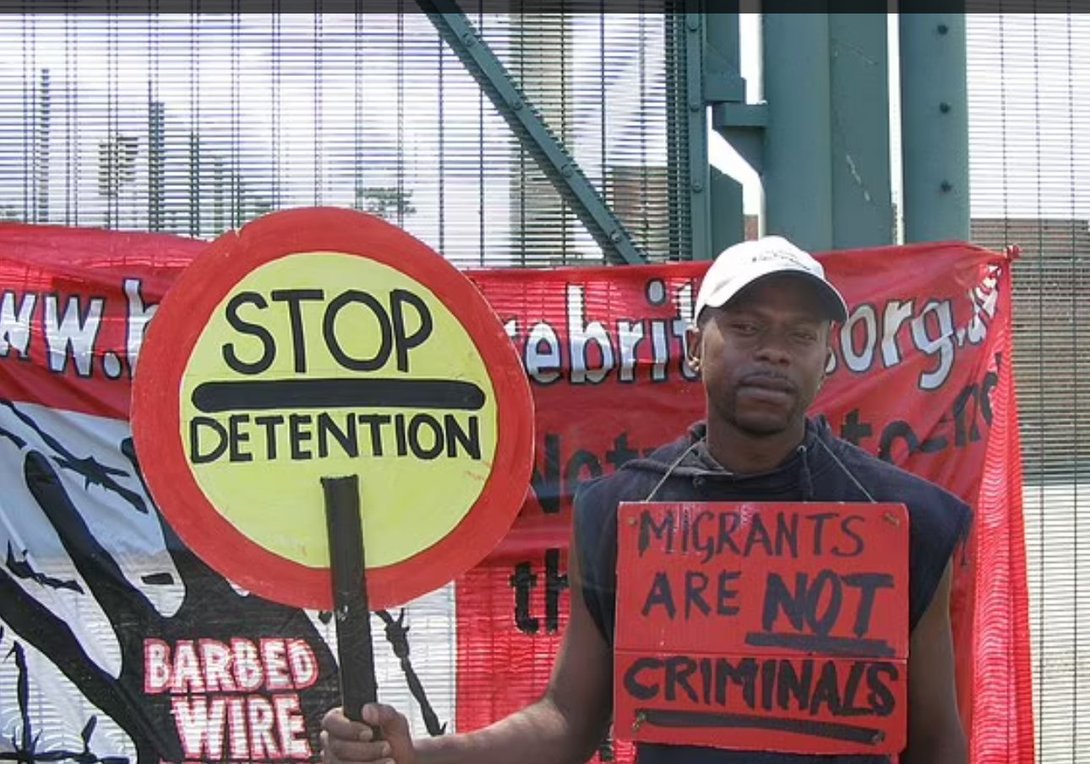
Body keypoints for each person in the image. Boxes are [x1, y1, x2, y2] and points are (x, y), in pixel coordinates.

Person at [321, 236, 973, 764]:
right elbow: (569, 720)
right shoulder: (619, 513)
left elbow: (937, 743)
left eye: (801, 335)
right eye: (745, 327)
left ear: (827, 358)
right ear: (695, 346)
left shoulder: (902, 520)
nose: (774, 350)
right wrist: (420, 756)